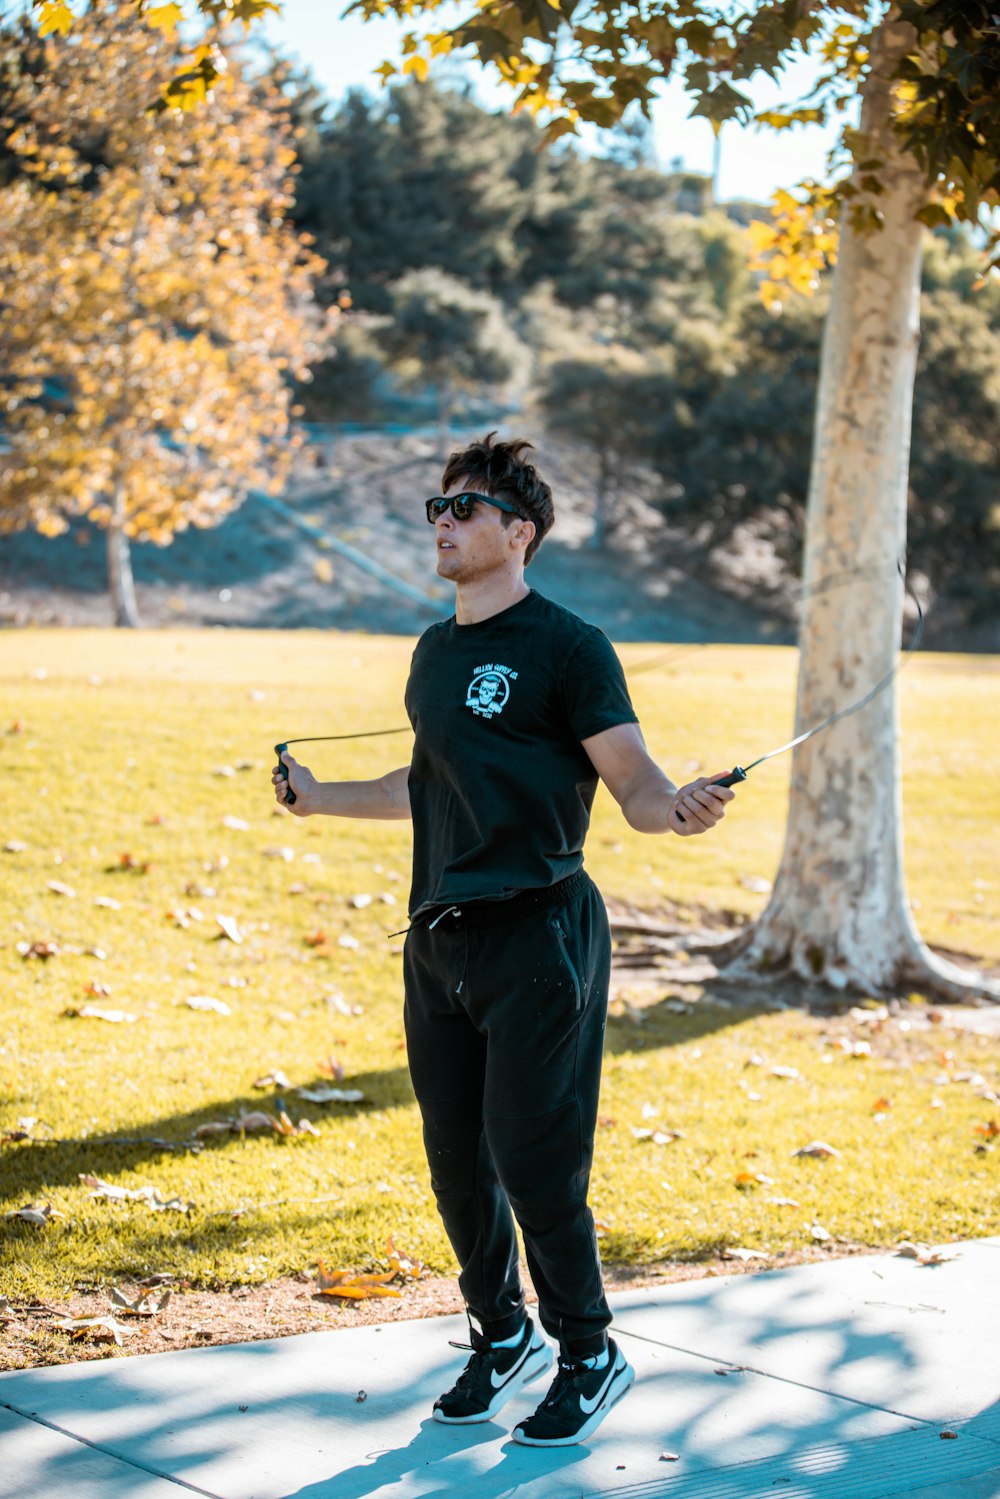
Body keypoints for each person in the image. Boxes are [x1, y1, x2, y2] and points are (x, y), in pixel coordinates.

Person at [272, 433, 735, 1447]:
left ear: (517, 531)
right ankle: (499, 1331)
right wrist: (316, 799)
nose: (443, 521)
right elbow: (425, 782)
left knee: (534, 1157)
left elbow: (637, 787)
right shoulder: (436, 651)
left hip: (539, 936)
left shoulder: (569, 647)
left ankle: (588, 1349)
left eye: (465, 508)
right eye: (438, 507)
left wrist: (680, 806)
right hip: (436, 941)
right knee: (454, 1159)